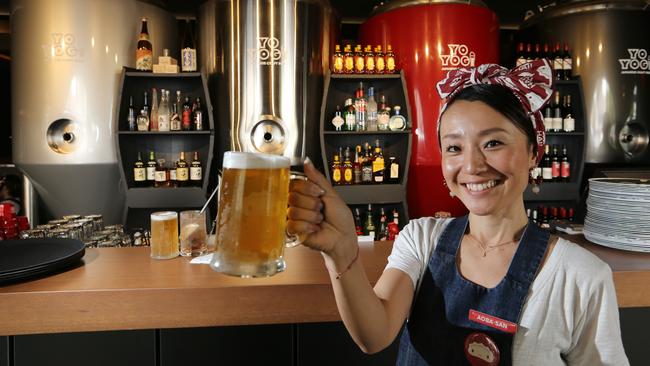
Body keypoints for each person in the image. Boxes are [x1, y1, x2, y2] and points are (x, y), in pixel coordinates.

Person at [287, 59, 628, 365]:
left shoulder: (581, 276)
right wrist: (341, 251)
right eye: (454, 147)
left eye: (493, 143)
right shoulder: (421, 240)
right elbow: (374, 336)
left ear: (533, 153)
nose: (472, 165)